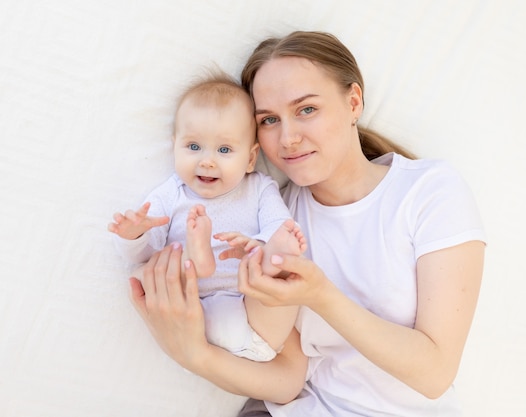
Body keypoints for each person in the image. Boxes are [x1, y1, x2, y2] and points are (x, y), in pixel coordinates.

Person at [129, 31, 486, 416]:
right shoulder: (276, 224)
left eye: (306, 109)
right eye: (269, 120)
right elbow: (286, 379)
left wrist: (320, 296)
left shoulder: (429, 191)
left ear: (353, 102)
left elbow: (434, 373)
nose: (288, 138)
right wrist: (194, 353)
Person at [109, 72, 306, 362]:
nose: (207, 160)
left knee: (279, 268)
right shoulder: (170, 194)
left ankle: (222, 258)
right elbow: (143, 252)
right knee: (143, 273)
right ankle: (193, 259)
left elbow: (280, 225)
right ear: (175, 145)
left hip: (246, 306)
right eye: (193, 147)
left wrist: (258, 247)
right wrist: (136, 234)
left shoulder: (259, 188)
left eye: (224, 150)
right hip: (192, 311)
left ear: (251, 158)